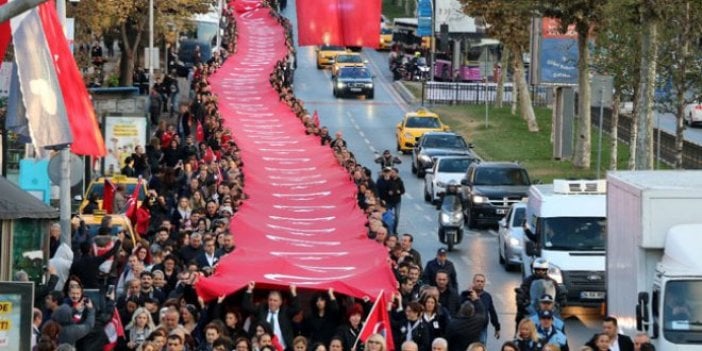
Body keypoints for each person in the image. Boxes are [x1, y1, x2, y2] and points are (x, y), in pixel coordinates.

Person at [243, 282, 300, 351]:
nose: (272, 303)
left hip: (283, 348)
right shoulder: (262, 309)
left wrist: (293, 292)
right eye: (270, 300)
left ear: (280, 302)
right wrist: (249, 290)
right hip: (263, 349)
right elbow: (247, 307)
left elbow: (297, 308)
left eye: (275, 300)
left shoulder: (285, 311)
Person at [468, 273, 500, 345]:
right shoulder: (467, 295)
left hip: (482, 328)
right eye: (478, 281)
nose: (480, 283)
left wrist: (497, 327)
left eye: (482, 282)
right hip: (469, 328)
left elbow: (492, 312)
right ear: (473, 282)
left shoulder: (487, 296)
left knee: (481, 346)